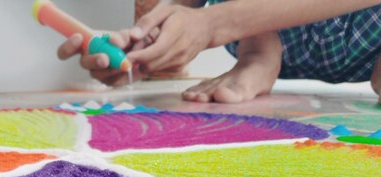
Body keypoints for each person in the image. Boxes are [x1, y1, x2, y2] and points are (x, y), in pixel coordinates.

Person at [57, 0, 381, 103]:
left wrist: (215, 23)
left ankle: (256, 39)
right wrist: (147, 46)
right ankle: (260, 45)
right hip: (264, 28)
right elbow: (180, 9)